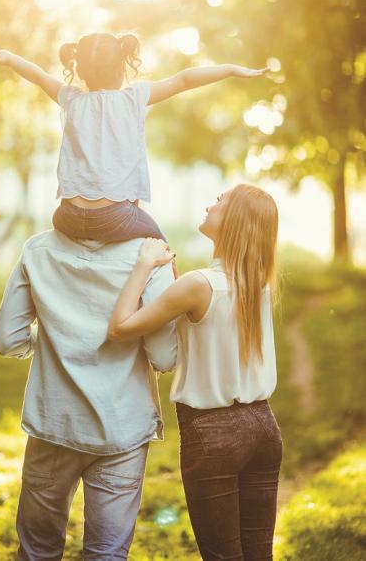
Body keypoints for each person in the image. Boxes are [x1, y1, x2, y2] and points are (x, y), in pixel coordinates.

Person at [108, 184, 282, 561]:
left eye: (219, 200)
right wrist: (176, 279)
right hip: (264, 428)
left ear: (233, 220)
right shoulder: (257, 285)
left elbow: (120, 327)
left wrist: (143, 266)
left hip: (212, 434)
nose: (209, 203)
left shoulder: (198, 285)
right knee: (258, 555)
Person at [0, 33, 268, 246]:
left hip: (65, 216)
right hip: (114, 219)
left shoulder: (71, 99)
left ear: (79, 70)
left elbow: (39, 75)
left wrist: (8, 58)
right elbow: (184, 80)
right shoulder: (134, 98)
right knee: (162, 251)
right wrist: (231, 69)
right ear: (122, 66)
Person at [0, 231, 177, 560]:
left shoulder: (38, 249)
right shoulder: (151, 255)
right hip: (123, 430)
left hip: (53, 425)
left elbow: (9, 339)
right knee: (107, 553)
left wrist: (55, 342)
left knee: (37, 552)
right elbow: (164, 356)